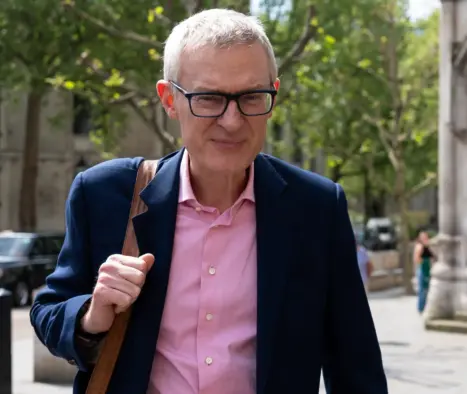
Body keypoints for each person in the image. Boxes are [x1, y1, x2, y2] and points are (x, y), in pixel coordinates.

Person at [30, 9, 388, 394]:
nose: (232, 121)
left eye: (252, 97)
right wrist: (92, 314)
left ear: (274, 93)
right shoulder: (103, 195)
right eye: (209, 98)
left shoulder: (317, 208)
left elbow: (356, 368)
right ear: (169, 100)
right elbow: (50, 311)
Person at [413, 229, 435, 313]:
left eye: (426, 237)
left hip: (428, 269)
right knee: (422, 290)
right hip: (422, 269)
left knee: (427, 290)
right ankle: (421, 308)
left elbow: (432, 257)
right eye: (423, 237)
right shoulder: (419, 246)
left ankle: (425, 307)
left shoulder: (427, 246)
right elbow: (417, 259)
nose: (425, 238)